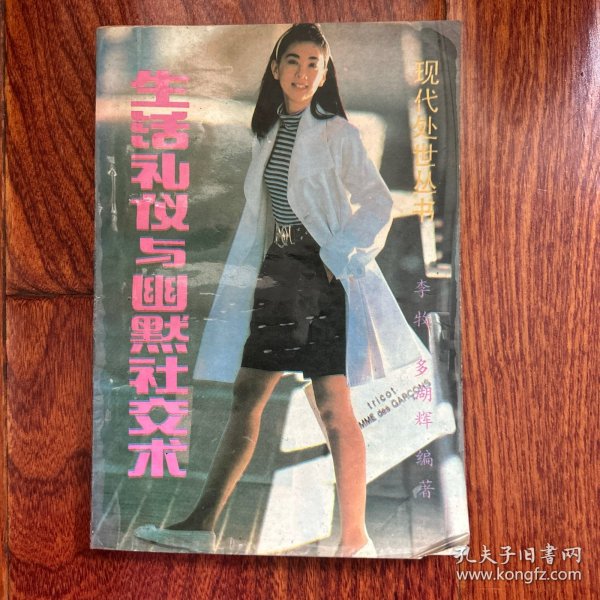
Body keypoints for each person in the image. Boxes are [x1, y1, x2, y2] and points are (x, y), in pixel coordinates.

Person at [136, 22, 426, 558]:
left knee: (326, 405)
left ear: (325, 73)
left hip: (320, 274)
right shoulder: (267, 131)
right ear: (275, 68)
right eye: (293, 60)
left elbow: (377, 202)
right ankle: (205, 525)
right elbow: (263, 214)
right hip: (278, 272)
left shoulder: (337, 134)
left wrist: (337, 258)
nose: (303, 72)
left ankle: (352, 538)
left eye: (314, 63)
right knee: (257, 395)